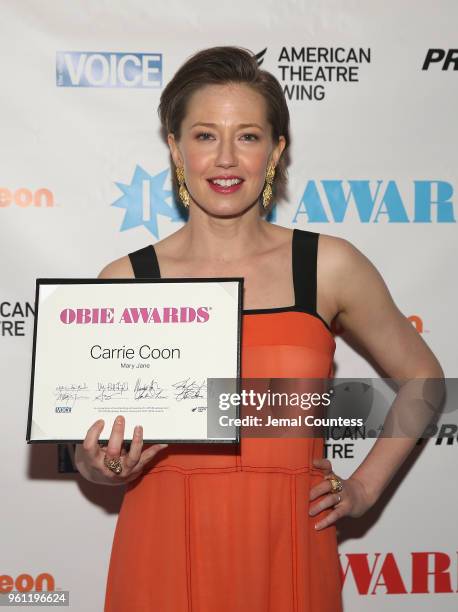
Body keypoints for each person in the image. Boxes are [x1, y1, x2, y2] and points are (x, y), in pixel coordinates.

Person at [74, 46, 444, 611]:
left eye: (247, 136)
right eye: (204, 136)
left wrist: (365, 487)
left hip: (288, 542)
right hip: (161, 547)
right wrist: (98, 463)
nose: (226, 158)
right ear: (175, 148)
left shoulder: (327, 266)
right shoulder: (126, 278)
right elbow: (82, 445)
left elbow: (423, 376)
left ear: (275, 151)